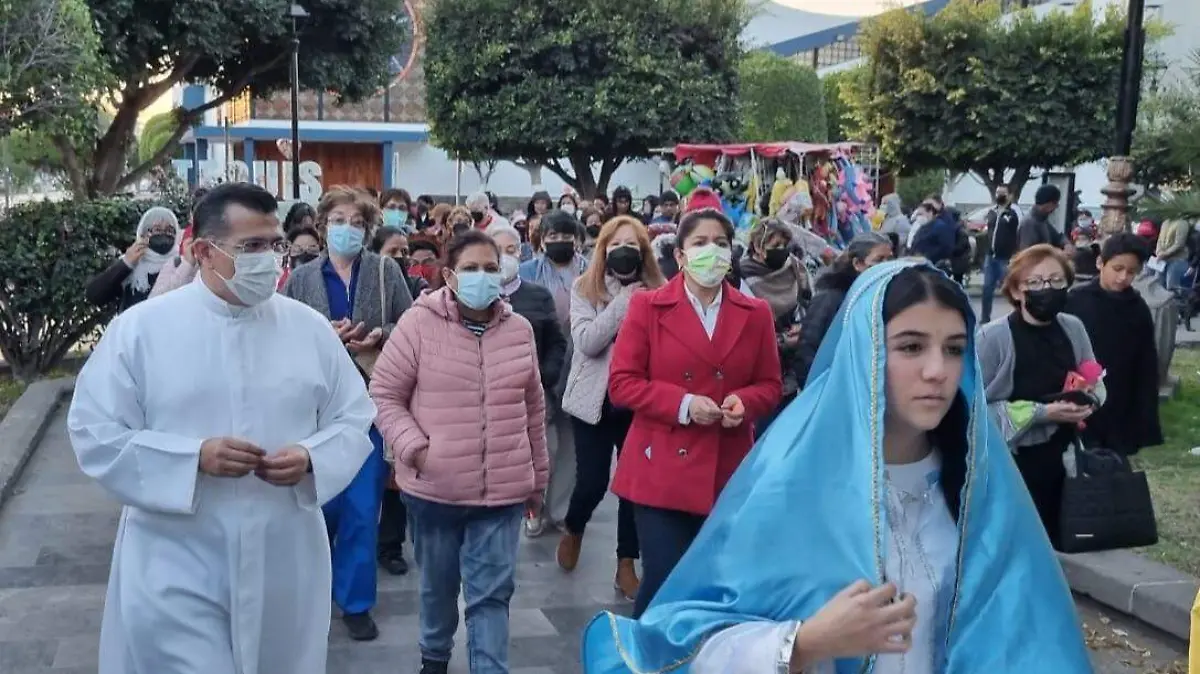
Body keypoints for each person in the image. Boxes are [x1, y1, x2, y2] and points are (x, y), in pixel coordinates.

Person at [579, 261, 1092, 674]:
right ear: (864, 353)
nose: (937, 371)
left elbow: (1031, 638)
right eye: (911, 347)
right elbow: (685, 641)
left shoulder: (983, 493)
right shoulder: (789, 485)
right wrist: (804, 644)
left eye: (954, 350)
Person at [67, 182, 377, 674]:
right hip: (178, 554)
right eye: (251, 247)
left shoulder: (308, 328)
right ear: (203, 252)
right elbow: (94, 431)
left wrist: (312, 457)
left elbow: (355, 415)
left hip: (283, 549)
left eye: (274, 245)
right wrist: (192, 459)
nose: (270, 259)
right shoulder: (142, 331)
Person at [370, 230, 549, 674]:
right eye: (471, 269)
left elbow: (533, 408)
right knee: (438, 587)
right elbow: (384, 394)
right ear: (449, 275)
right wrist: (416, 448)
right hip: (436, 492)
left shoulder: (519, 330)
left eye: (491, 268)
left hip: (502, 492)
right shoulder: (418, 324)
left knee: (492, 595)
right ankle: (434, 659)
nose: (482, 277)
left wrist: (537, 479)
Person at [605, 208, 782, 617]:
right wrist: (683, 404)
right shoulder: (648, 307)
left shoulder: (755, 313)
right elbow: (623, 384)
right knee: (667, 580)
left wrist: (746, 402)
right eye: (700, 243)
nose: (712, 252)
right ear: (680, 256)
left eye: (720, 243)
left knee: (717, 583)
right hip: (661, 467)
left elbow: (770, 384)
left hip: (727, 468)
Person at [281, 186, 414, 640]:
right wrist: (325, 336)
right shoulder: (301, 278)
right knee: (320, 507)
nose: (348, 230)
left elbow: (409, 324)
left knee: (362, 506)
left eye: (357, 223)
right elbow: (282, 333)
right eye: (339, 221)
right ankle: (313, 593)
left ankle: (356, 601)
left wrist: (376, 334)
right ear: (322, 227)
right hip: (314, 408)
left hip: (368, 404)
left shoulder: (384, 270)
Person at [557, 215, 667, 601]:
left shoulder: (660, 291)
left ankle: (626, 563)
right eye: (617, 244)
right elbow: (587, 341)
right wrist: (624, 302)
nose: (625, 252)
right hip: (595, 402)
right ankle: (574, 525)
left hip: (639, 402)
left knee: (634, 487)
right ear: (604, 249)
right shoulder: (585, 288)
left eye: (633, 246)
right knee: (592, 482)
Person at [978, 244, 1104, 547]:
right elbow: (971, 410)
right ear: (1018, 290)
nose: (1047, 289)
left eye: (1056, 281)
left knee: (1057, 545)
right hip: (1013, 463)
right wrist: (1043, 413)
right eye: (1035, 282)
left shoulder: (1073, 327)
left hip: (1064, 458)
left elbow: (1095, 379)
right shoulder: (992, 338)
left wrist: (1089, 401)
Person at [490, 224, 570, 538]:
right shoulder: (470, 295)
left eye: (512, 251)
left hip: (534, 391)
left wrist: (545, 375)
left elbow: (555, 342)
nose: (505, 258)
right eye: (498, 251)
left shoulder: (537, 295)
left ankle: (534, 508)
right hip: (489, 395)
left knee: (542, 453)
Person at [1065, 233, 1162, 455]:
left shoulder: (1138, 309)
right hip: (1081, 395)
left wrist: (1144, 413)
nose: (1123, 277)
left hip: (1121, 399)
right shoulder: (1075, 300)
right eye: (1117, 269)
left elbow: (1146, 362)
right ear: (1100, 263)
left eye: (1131, 272)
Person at [793, 232, 893, 389]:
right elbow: (807, 351)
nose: (886, 266)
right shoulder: (831, 298)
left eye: (889, 259)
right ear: (858, 264)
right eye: (879, 260)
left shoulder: (880, 297)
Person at [739, 219, 810, 433]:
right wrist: (779, 340)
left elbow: (808, 303)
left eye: (784, 245)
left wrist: (803, 327)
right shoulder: (742, 276)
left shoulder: (796, 268)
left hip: (792, 374)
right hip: (758, 373)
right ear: (758, 247)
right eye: (775, 246)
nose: (781, 251)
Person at [87, 207, 182, 312]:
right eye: (157, 229)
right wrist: (126, 264)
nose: (163, 234)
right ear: (143, 234)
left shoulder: (182, 262)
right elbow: (94, 296)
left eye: (169, 230)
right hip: (135, 327)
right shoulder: (132, 261)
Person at [981, 187, 1020, 323]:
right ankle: (985, 318)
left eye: (1003, 193)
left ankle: (1019, 315)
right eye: (997, 192)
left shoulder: (1013, 213)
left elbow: (1017, 233)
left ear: (1009, 195)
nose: (1000, 195)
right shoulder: (992, 212)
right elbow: (988, 230)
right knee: (987, 288)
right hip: (990, 256)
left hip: (1005, 258)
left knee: (1010, 288)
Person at [1016, 184, 1065, 252]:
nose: (1056, 207)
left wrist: (1066, 244)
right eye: (1055, 204)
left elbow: (1057, 237)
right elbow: (1028, 254)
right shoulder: (1029, 223)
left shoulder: (1042, 220)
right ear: (1049, 204)